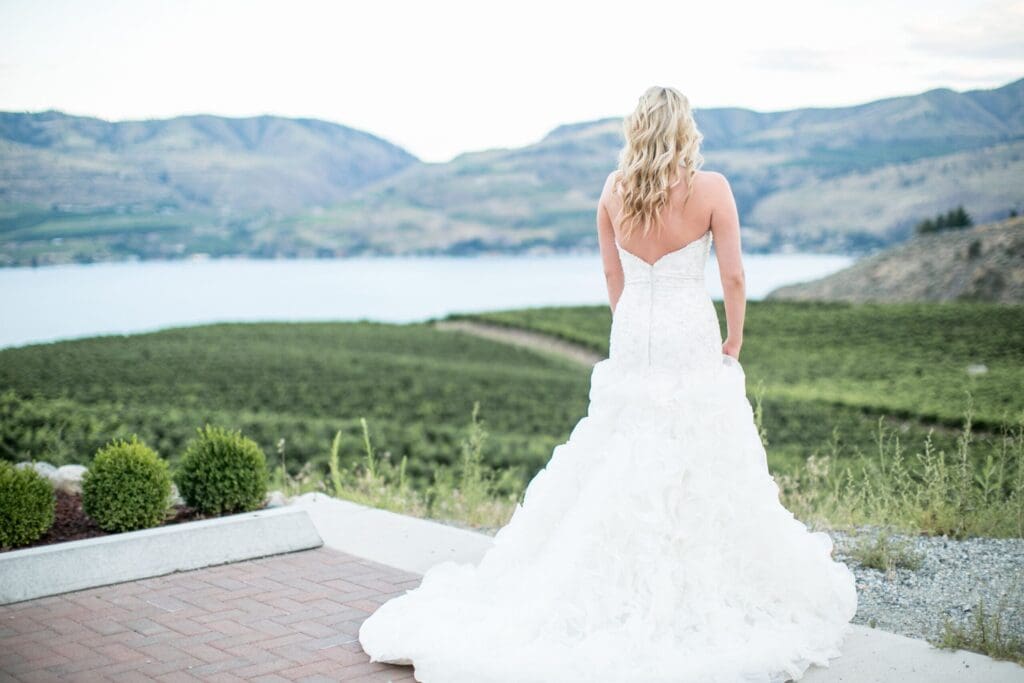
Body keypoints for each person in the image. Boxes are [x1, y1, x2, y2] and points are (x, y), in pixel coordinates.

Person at [358, 85, 858, 683]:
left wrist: (630, 324)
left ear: (637, 128)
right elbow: (734, 274)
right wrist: (735, 339)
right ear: (685, 130)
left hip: (634, 333)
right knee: (696, 449)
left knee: (619, 450)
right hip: (689, 332)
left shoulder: (612, 190)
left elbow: (611, 272)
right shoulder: (711, 189)